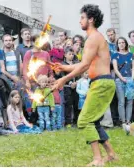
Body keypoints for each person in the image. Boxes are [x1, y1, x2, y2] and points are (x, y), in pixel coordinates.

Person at [52, 4, 117, 166]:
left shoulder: (93, 37)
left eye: (82, 17)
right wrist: (63, 67)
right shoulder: (94, 37)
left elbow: (84, 66)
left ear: (91, 19)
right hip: (102, 82)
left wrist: (63, 79)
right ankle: (111, 154)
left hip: (102, 83)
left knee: (84, 121)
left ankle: (97, 159)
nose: (80, 20)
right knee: (93, 121)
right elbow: (84, 64)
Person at [112, 37, 134, 125]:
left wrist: (132, 78)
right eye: (119, 43)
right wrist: (122, 78)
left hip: (130, 80)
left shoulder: (130, 54)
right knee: (121, 101)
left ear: (125, 44)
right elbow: (115, 69)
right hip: (119, 80)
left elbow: (133, 68)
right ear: (117, 45)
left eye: (123, 42)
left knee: (130, 101)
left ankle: (128, 121)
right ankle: (123, 121)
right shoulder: (115, 55)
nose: (121, 44)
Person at [61, 47, 79, 127]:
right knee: (68, 104)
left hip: (77, 86)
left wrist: (76, 82)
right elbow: (63, 75)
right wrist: (70, 82)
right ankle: (68, 122)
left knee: (76, 104)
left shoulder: (76, 63)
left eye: (72, 54)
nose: (71, 56)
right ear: (65, 55)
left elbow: (79, 74)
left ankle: (77, 121)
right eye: (69, 54)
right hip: (67, 87)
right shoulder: (63, 64)